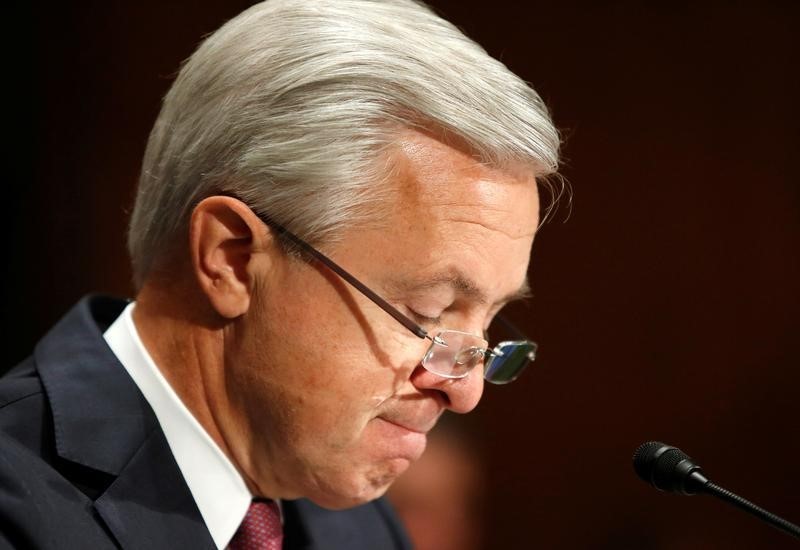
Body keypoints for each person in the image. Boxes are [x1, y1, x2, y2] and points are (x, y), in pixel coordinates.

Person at [0, 0, 561, 548]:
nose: (465, 391)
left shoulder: (362, 529)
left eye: (486, 328)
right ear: (233, 258)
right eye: (428, 313)